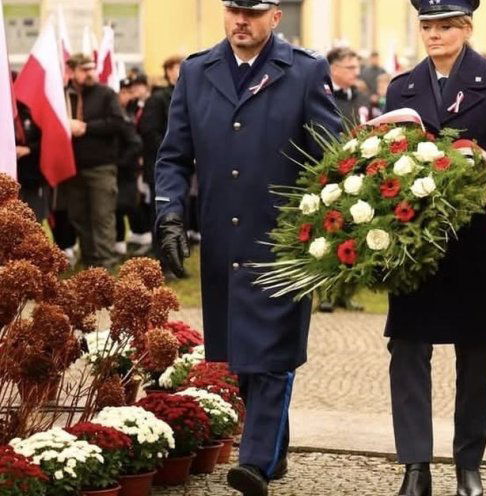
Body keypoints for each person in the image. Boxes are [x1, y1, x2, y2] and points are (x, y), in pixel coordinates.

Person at [153, 1, 342, 494]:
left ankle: (254, 462)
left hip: (284, 238)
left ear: (275, 17)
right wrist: (169, 212)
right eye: (234, 10)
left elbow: (330, 152)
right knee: (239, 354)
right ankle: (273, 447)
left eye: (253, 13)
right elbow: (173, 155)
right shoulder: (197, 72)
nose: (241, 21)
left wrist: (332, 226)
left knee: (272, 353)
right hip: (222, 238)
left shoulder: (303, 70)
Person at [384, 1, 486, 494]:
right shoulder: (401, 87)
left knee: (477, 356)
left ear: (467, 28)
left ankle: (467, 464)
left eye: (445, 25)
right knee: (407, 350)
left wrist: (479, 166)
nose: (434, 34)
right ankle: (415, 466)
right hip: (416, 246)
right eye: (427, 26)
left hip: (477, 246)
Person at [61, 53, 126, 269]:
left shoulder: (106, 94)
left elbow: (118, 123)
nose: (90, 73)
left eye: (92, 68)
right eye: (84, 69)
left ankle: (106, 262)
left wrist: (87, 127)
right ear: (72, 71)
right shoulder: (63, 95)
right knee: (78, 216)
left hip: (101, 166)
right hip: (73, 167)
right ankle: (90, 260)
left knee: (102, 216)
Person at [140, 55, 184, 261]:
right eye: (175, 68)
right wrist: (173, 150)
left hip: (183, 167)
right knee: (161, 212)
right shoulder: (158, 99)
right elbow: (149, 132)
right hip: (161, 166)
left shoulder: (186, 94)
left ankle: (176, 257)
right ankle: (161, 259)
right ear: (167, 71)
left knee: (180, 213)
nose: (179, 72)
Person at [114, 77, 146, 257]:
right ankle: (120, 241)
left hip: (129, 166)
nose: (126, 96)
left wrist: (123, 162)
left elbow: (136, 141)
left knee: (132, 203)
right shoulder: (118, 111)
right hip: (121, 165)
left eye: (128, 92)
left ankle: (141, 235)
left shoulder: (132, 111)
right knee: (118, 205)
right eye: (123, 92)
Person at [328, 46, 373, 125]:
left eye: (357, 68)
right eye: (351, 68)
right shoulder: (323, 100)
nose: (357, 73)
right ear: (334, 69)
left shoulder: (363, 97)